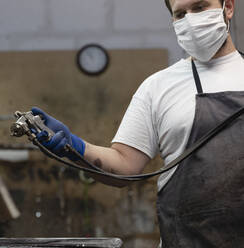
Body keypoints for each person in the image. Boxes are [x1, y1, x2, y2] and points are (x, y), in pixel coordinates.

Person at [32, 0, 244, 247]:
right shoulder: (157, 87)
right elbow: (124, 167)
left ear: (227, 7)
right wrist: (75, 147)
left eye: (199, 7)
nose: (191, 20)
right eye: (180, 14)